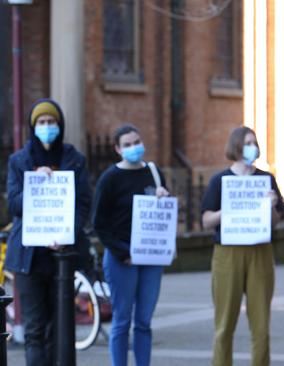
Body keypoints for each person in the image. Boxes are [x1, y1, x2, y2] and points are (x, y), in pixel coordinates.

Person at [5, 98, 91, 366]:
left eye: (51, 122)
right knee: (35, 329)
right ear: (33, 126)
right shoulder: (19, 161)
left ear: (59, 125)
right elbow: (14, 204)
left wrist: (67, 234)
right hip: (29, 258)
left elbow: (84, 204)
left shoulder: (74, 160)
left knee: (60, 327)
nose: (47, 126)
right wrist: (36, 182)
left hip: (61, 256)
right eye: (41, 122)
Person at [201, 126, 284, 366]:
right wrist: (228, 210)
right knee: (224, 324)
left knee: (261, 325)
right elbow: (206, 220)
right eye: (248, 142)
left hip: (260, 250)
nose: (253, 147)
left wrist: (272, 205)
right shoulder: (220, 181)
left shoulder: (266, 179)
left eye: (254, 142)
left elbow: (276, 223)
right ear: (236, 145)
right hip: (228, 252)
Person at [92, 123, 169, 366]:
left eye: (137, 142)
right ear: (118, 149)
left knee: (144, 321)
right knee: (122, 320)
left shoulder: (154, 173)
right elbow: (99, 224)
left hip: (151, 256)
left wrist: (164, 198)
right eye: (128, 144)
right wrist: (122, 252)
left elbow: (164, 215)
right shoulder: (110, 178)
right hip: (121, 258)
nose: (134, 147)